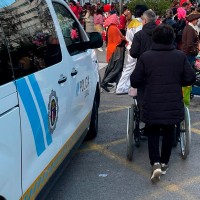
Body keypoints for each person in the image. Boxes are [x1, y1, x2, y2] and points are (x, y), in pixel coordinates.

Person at [130, 24, 196, 183]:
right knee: (169, 130)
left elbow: (135, 80)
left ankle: (155, 163)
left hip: (151, 101)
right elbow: (190, 78)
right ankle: (165, 162)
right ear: (172, 39)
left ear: (155, 38)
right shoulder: (179, 56)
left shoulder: (146, 57)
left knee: (152, 131)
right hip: (173, 102)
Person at [116, 5, 148, 94]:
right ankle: (121, 87)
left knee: (130, 68)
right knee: (130, 68)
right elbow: (139, 37)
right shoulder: (139, 24)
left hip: (130, 46)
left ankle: (124, 86)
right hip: (134, 47)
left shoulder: (132, 22)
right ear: (143, 14)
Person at [101, 14, 126, 92]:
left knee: (112, 67)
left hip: (112, 49)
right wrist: (124, 38)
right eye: (117, 18)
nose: (118, 19)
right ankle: (105, 82)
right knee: (116, 68)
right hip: (117, 49)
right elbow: (119, 40)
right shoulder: (114, 28)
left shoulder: (110, 28)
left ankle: (118, 84)